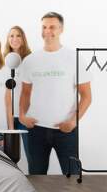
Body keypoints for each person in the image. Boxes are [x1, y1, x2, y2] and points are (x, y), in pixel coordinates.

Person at [19, 12, 92, 175]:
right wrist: (22, 115)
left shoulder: (74, 58)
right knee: (36, 178)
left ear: (61, 29)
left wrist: (74, 121)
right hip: (36, 129)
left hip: (66, 130)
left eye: (52, 27)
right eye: (44, 27)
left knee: (73, 177)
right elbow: (25, 93)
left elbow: (87, 96)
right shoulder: (31, 60)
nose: (47, 31)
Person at [3, 26, 32, 165]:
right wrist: (10, 125)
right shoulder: (3, 63)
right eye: (11, 36)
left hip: (26, 115)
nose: (14, 39)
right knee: (9, 158)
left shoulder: (31, 61)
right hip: (10, 116)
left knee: (32, 155)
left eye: (18, 35)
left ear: (23, 38)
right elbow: (7, 97)